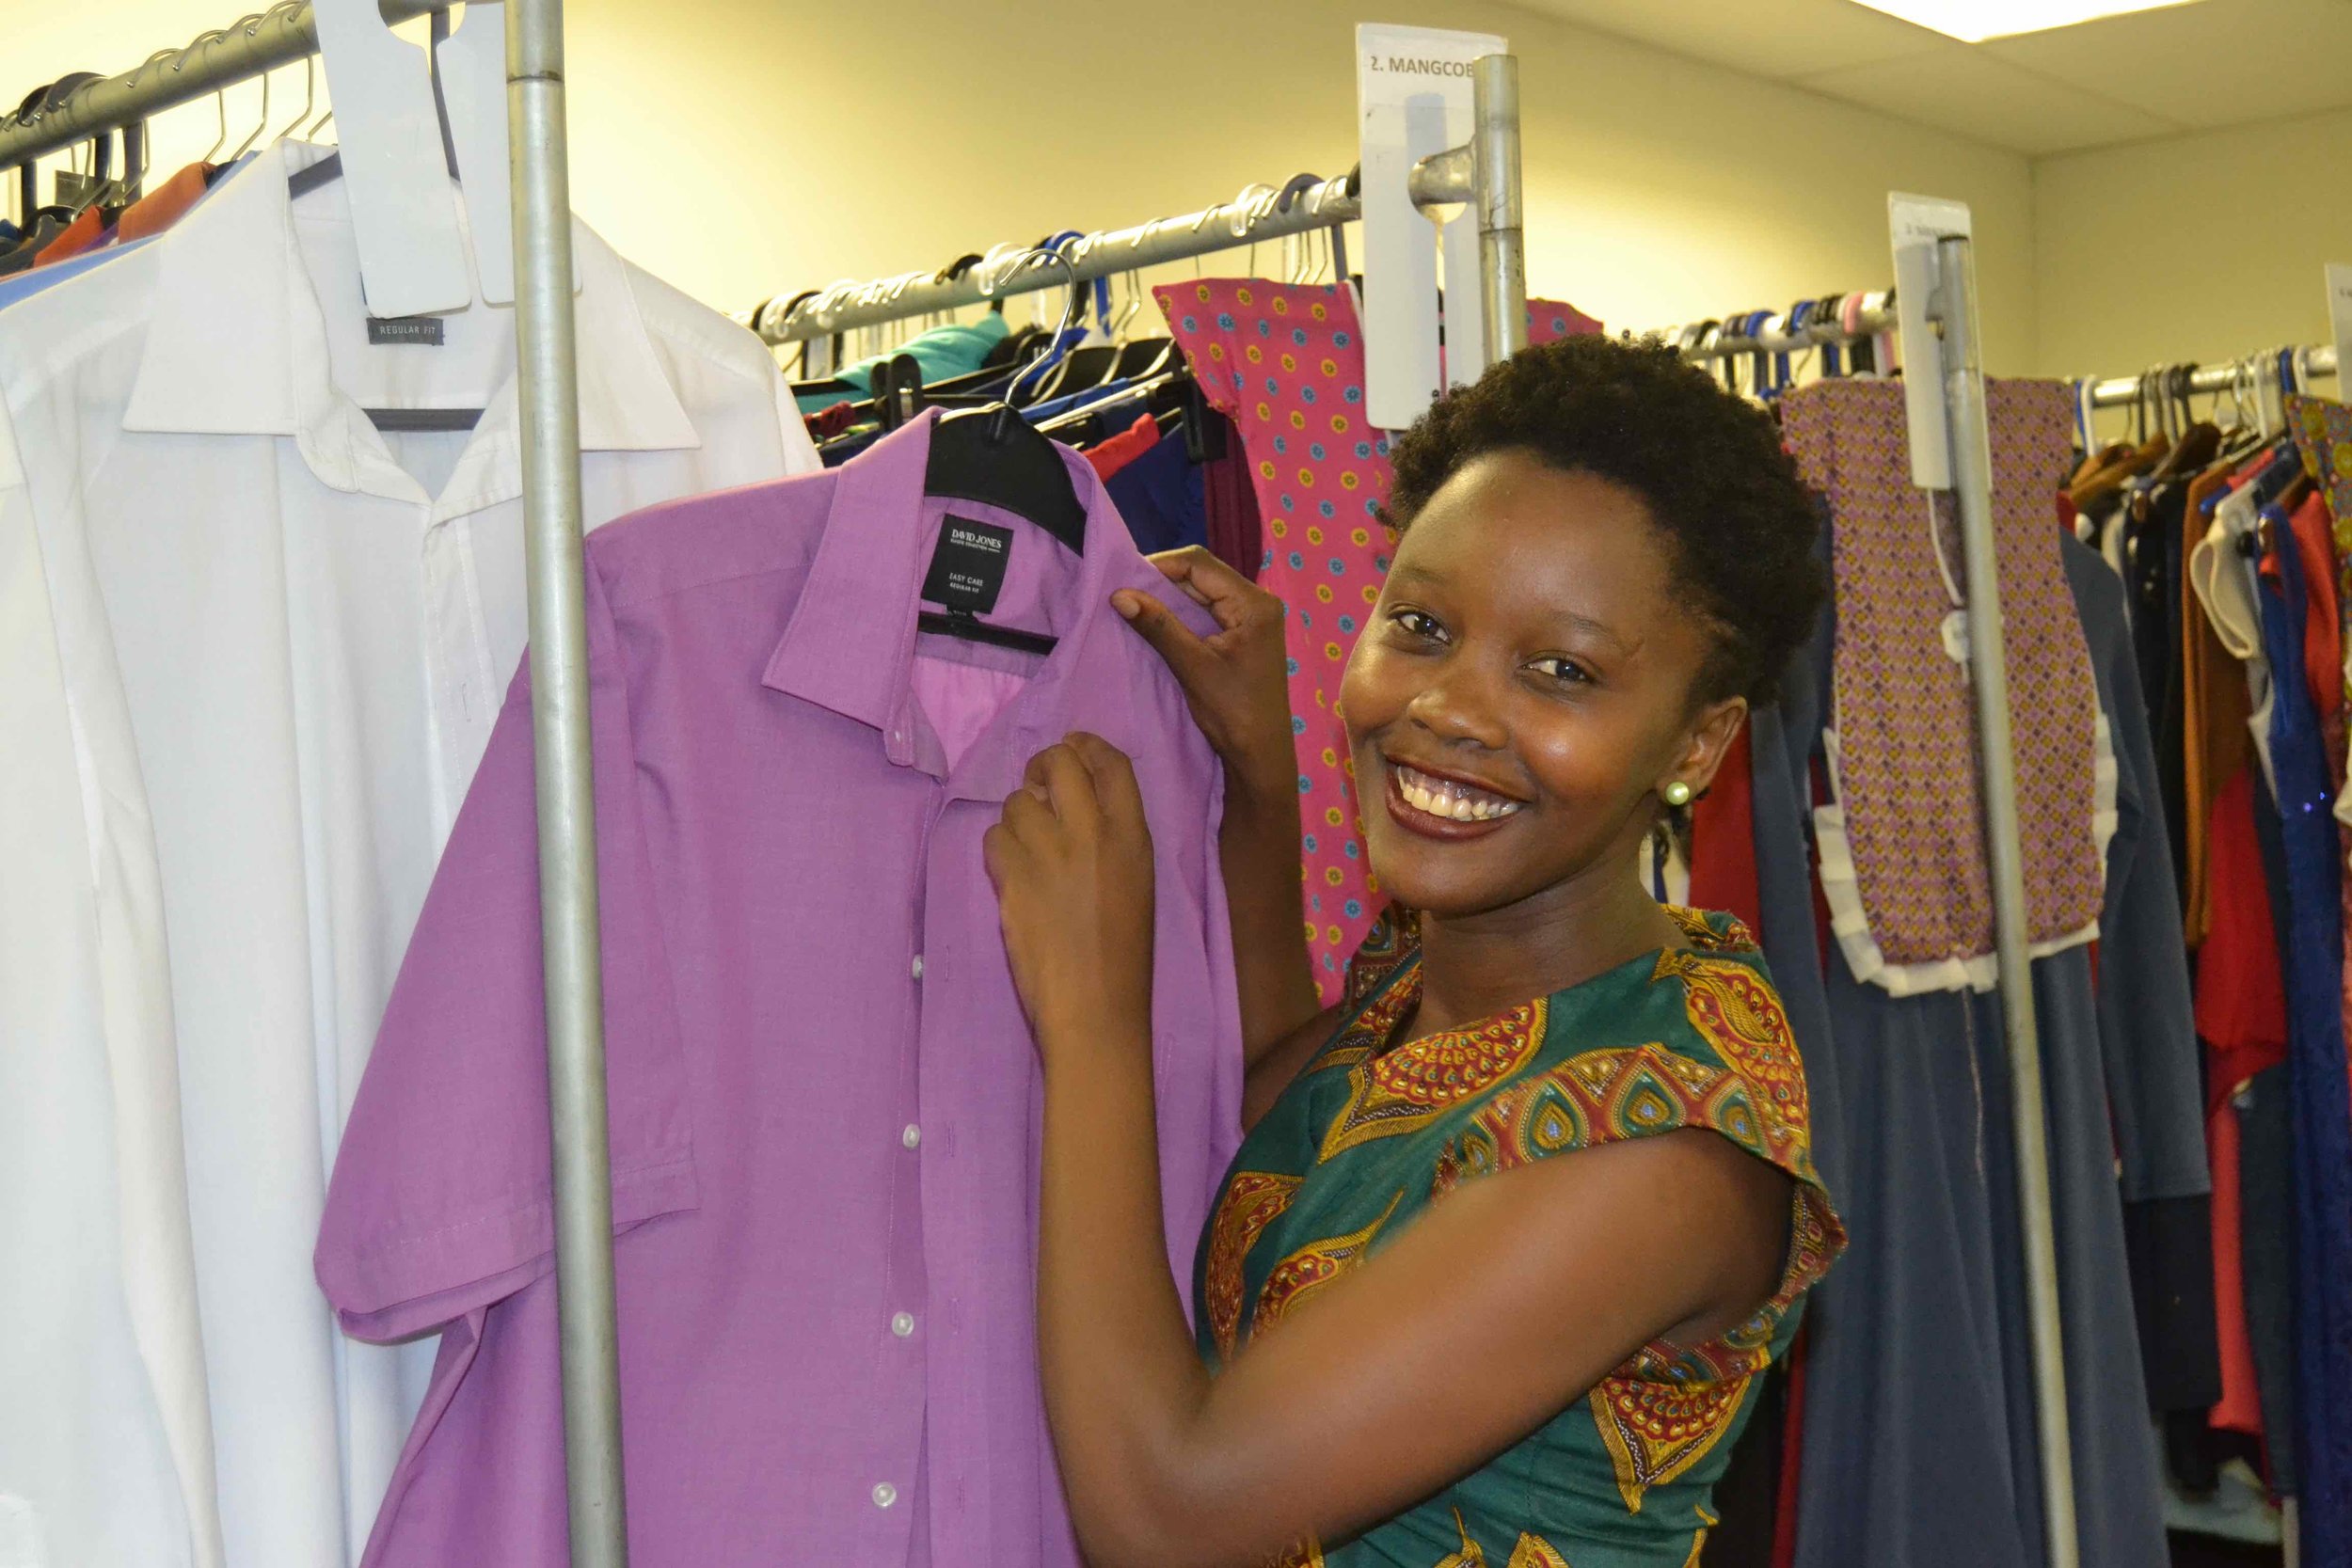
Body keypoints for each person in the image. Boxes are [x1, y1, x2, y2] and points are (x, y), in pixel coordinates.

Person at [982, 335, 1847, 1568]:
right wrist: (1264, 780)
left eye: (1562, 671)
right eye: (1424, 625)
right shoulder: (1478, 956)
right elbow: (1290, 1100)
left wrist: (1091, 1015)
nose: (1448, 709)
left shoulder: (1660, 1158)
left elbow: (1168, 1516)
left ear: (1698, 746)